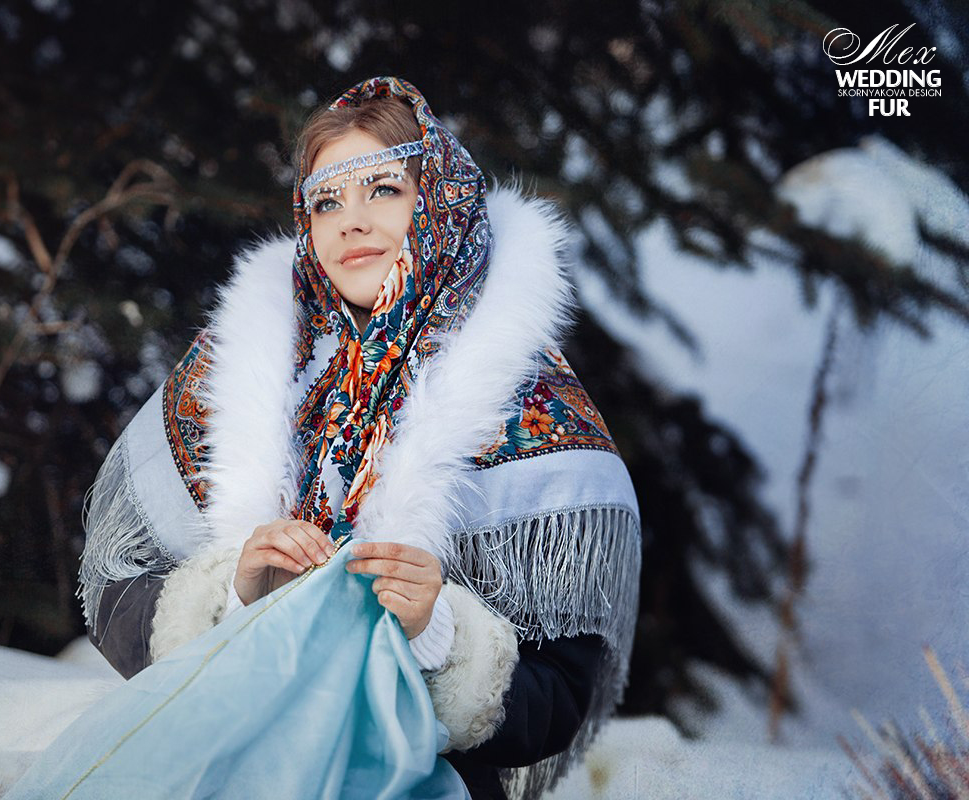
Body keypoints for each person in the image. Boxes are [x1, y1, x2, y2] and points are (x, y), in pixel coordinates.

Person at [62, 76, 642, 800]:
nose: (350, 222)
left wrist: (440, 637)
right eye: (326, 201)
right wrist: (232, 601)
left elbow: (557, 699)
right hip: (226, 755)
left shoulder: (527, 399)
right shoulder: (234, 367)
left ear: (438, 200)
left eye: (383, 190)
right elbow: (117, 594)